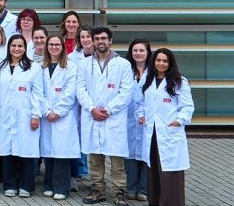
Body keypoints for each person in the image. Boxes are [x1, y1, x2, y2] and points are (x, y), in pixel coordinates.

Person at [76, 27, 135, 206]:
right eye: (97, 39)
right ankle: (98, 190)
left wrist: (108, 110)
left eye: (103, 38)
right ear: (93, 41)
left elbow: (126, 92)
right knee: (95, 158)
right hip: (92, 116)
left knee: (117, 160)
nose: (100, 42)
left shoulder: (123, 64)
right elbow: (80, 89)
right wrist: (92, 109)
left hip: (114, 118)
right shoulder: (84, 64)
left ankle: (119, 192)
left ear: (110, 41)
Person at [138, 48, 193, 206]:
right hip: (152, 132)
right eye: (158, 60)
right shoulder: (147, 79)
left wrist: (179, 121)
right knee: (153, 170)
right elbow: (139, 101)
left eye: (165, 61)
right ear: (153, 61)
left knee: (170, 173)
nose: (161, 64)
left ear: (170, 63)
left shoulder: (179, 81)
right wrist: (140, 115)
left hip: (169, 132)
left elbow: (187, 106)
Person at [0, 34, 44, 198]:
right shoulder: (0, 66)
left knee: (26, 151)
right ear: (8, 48)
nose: (16, 49)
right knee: (7, 151)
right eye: (13, 46)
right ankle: (9, 185)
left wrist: (35, 115)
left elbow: (37, 94)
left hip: (25, 116)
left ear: (25, 48)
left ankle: (26, 186)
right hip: (5, 115)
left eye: (20, 46)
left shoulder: (33, 68)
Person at [40, 35, 80, 200]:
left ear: (63, 47)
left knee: (62, 154)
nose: (54, 47)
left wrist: (57, 112)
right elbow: (38, 92)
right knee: (49, 153)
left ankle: (62, 188)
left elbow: (70, 93)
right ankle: (48, 185)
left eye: (57, 44)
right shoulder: (40, 66)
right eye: (51, 44)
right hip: (47, 115)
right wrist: (46, 111)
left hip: (64, 116)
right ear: (46, 47)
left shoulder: (71, 66)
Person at [125, 39, 152, 202]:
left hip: (147, 120)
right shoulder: (126, 70)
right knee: (129, 154)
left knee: (146, 153)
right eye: (135, 50)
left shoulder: (153, 72)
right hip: (128, 118)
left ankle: (143, 189)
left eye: (142, 50)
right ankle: (131, 187)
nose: (138, 53)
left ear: (148, 53)